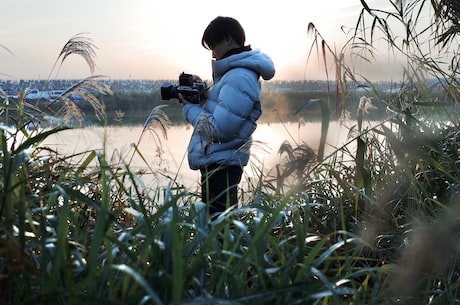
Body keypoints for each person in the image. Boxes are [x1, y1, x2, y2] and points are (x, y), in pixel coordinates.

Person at [178, 16, 275, 219]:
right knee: (219, 228)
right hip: (218, 161)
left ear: (228, 39)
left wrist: (190, 108)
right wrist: (202, 92)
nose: (213, 53)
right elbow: (224, 109)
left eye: (214, 45)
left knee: (220, 231)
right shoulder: (234, 75)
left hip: (222, 165)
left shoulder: (239, 76)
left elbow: (219, 129)